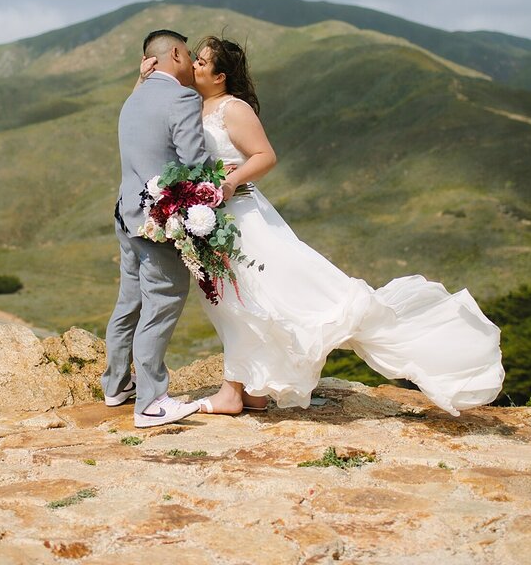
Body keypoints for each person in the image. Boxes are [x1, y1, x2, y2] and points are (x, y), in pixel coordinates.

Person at [140, 36, 505, 415]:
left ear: (220, 76)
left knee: (245, 300)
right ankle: (254, 391)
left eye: (201, 62)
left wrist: (229, 183)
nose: (194, 66)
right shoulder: (195, 104)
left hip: (243, 218)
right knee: (234, 302)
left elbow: (265, 156)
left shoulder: (233, 109)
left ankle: (233, 393)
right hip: (214, 219)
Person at [102, 29, 210, 428]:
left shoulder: (133, 98)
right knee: (162, 300)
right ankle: (151, 401)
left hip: (125, 213)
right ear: (177, 53)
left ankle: (116, 385)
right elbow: (195, 162)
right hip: (158, 220)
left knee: (129, 300)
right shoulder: (181, 98)